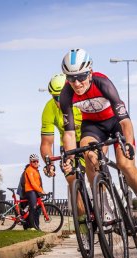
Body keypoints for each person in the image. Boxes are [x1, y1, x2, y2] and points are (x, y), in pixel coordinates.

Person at [59, 48, 137, 236]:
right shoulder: (66, 94)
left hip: (115, 123)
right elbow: (70, 134)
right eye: (71, 78)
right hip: (93, 126)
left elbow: (125, 121)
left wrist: (128, 143)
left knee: (125, 164)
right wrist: (69, 159)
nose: (77, 83)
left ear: (89, 72)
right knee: (88, 154)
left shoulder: (103, 83)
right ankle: (103, 207)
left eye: (81, 77)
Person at [40, 73, 85, 211]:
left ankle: (104, 200)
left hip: (86, 138)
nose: (61, 101)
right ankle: (85, 219)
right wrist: (49, 163)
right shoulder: (49, 108)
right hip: (68, 144)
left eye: (65, 95)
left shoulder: (81, 101)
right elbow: (46, 143)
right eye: (57, 98)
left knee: (94, 168)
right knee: (72, 181)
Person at [24, 154, 46, 230]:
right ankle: (32, 226)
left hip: (35, 191)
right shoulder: (29, 169)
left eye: (37, 161)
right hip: (30, 191)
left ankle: (36, 226)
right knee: (33, 208)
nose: (36, 162)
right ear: (30, 162)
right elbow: (32, 183)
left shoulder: (36, 170)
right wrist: (41, 191)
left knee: (37, 209)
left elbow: (38, 183)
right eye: (34, 161)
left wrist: (42, 191)